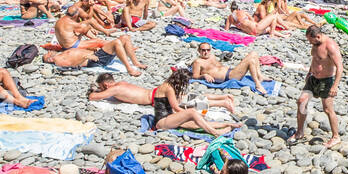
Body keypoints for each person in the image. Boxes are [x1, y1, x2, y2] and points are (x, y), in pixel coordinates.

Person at [87, 72, 237, 114]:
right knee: (189, 98)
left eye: (103, 86)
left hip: (154, 98)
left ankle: (223, 103)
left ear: (106, 84)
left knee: (188, 103)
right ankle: (223, 97)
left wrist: (96, 91)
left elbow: (93, 97)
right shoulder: (121, 84)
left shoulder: (114, 89)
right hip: (153, 92)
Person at [293, 24, 342, 147]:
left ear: (318, 36)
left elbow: (340, 68)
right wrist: (309, 72)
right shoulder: (315, 44)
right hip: (313, 79)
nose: (309, 43)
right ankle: (299, 132)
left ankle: (336, 136)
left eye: (311, 40)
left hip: (326, 81)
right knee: (301, 101)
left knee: (327, 109)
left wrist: (335, 86)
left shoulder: (330, 46)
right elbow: (315, 59)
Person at [148, 70, 235, 135]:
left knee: (197, 123)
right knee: (193, 113)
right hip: (162, 121)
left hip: (169, 118)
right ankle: (215, 132)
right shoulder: (169, 88)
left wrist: (194, 116)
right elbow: (175, 107)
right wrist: (191, 115)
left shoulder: (168, 85)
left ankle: (225, 124)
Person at [190, 43, 269, 92]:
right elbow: (195, 76)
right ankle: (257, 84)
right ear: (199, 51)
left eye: (208, 50)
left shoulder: (212, 56)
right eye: (203, 50)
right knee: (250, 61)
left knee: (254, 53)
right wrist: (204, 75)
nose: (206, 52)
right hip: (229, 77)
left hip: (231, 71)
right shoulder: (198, 62)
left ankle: (260, 76)